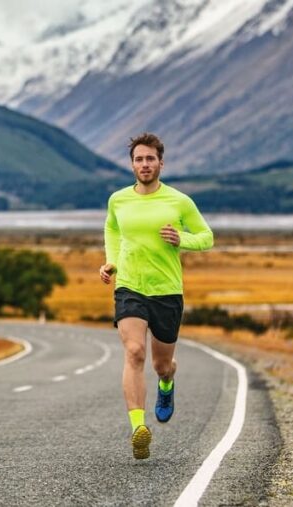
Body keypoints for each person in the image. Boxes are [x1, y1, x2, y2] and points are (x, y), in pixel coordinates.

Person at [100, 132, 214, 460]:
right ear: (132, 164)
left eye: (150, 159)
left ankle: (167, 382)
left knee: (161, 364)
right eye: (139, 159)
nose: (145, 164)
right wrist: (112, 262)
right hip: (130, 287)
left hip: (166, 291)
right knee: (134, 352)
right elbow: (113, 229)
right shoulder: (118, 200)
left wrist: (182, 239)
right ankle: (139, 427)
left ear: (161, 163)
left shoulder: (179, 201)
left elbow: (207, 237)